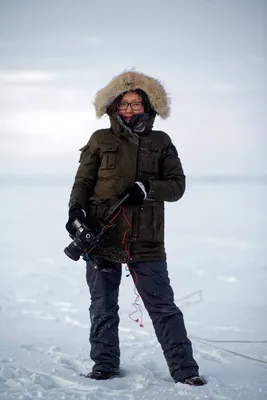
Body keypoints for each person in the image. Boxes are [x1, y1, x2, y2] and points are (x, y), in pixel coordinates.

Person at [65, 70, 206, 386]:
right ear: (115, 106)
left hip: (146, 240)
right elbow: (83, 182)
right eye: (124, 104)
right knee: (103, 306)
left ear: (148, 106)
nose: (129, 110)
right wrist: (75, 213)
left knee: (163, 307)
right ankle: (104, 365)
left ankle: (185, 370)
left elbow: (177, 186)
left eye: (136, 104)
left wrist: (147, 188)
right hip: (101, 236)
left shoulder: (161, 141)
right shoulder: (100, 139)